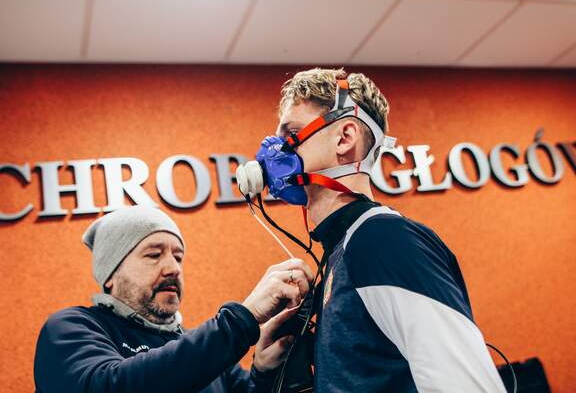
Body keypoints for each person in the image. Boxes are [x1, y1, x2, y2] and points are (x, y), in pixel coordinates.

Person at [272, 68, 507, 392]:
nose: (277, 148)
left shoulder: (381, 242)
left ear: (345, 138)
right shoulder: (344, 250)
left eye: (291, 133)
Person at [34, 205, 314, 393]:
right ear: (111, 274)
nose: (173, 268)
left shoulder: (208, 352)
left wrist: (264, 371)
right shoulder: (72, 327)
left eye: (178, 257)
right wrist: (241, 320)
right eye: (154, 255)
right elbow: (109, 385)